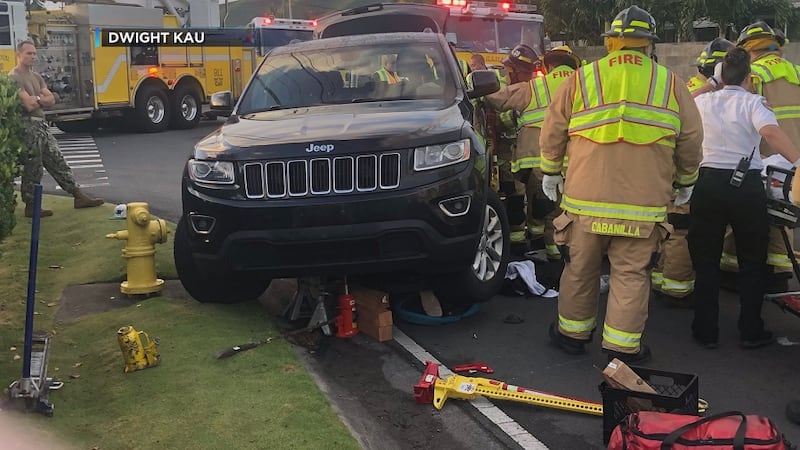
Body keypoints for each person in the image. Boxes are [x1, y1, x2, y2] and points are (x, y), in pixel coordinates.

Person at [540, 5, 703, 363]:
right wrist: (687, 181)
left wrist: (551, 171)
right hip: (642, 206)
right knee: (631, 276)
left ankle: (571, 334)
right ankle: (622, 348)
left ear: (612, 41)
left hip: (584, 202)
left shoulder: (582, 78)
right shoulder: (671, 83)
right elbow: (690, 140)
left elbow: (553, 127)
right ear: (648, 44)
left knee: (579, 270)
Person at [689, 47, 800, 350]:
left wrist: (710, 85)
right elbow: (771, 134)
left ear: (720, 75)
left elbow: (681, 104)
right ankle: (750, 330)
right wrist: (799, 162)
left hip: (708, 184)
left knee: (706, 260)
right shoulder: (753, 102)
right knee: (752, 261)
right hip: (746, 186)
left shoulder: (703, 101)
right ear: (749, 77)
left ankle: (705, 330)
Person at [9, 40, 103, 218]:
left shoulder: (36, 77)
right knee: (33, 166)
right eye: (28, 53)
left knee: (57, 160)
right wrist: (40, 99)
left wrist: (38, 98)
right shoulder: (14, 77)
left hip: (42, 124)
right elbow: (28, 104)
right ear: (18, 54)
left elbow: (52, 100)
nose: (33, 57)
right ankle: (31, 205)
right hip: (28, 126)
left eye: (34, 53)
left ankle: (78, 195)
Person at [483, 44, 541, 247]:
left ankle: (528, 240)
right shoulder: (507, 86)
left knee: (527, 196)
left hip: (525, 153)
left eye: (509, 71)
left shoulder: (529, 89)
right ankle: (523, 241)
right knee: (520, 196)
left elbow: (496, 103)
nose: (507, 74)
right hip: (516, 152)